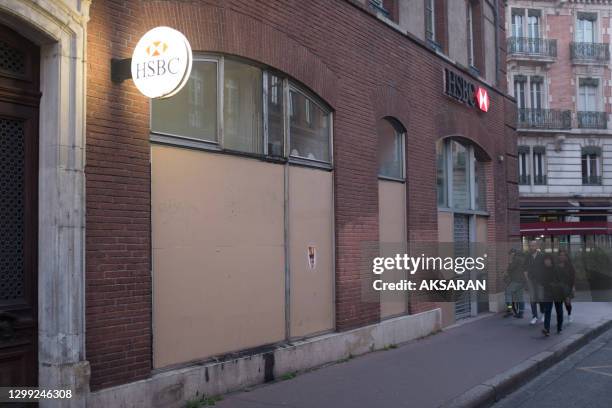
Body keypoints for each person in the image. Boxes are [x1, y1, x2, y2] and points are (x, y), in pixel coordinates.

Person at [538, 254, 566, 336]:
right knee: (547, 311)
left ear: (551, 260)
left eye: (548, 260)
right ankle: (546, 329)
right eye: (545, 260)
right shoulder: (543, 270)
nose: (546, 261)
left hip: (557, 293)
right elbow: (541, 281)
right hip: (548, 292)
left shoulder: (557, 269)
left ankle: (559, 327)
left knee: (559, 311)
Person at [523, 240, 545, 325]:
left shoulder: (541, 255)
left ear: (537, 246)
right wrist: (526, 278)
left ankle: (543, 314)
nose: (532, 247)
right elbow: (524, 267)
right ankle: (534, 317)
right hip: (531, 280)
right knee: (532, 299)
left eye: (533, 246)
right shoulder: (528, 256)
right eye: (530, 246)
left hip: (540, 280)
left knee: (540, 298)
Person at [503, 249, 526, 318]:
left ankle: (509, 309)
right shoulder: (522, 259)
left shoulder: (516, 259)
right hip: (522, 281)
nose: (510, 256)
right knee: (520, 297)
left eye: (510, 254)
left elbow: (510, 268)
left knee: (508, 293)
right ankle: (521, 313)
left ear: (513, 253)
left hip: (516, 280)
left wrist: (509, 264)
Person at [557, 249, 576, 323]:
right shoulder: (556, 264)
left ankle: (569, 314)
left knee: (567, 302)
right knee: (559, 304)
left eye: (563, 255)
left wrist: (573, 286)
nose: (562, 256)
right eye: (560, 255)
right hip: (558, 287)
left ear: (566, 256)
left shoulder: (570, 265)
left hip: (567, 287)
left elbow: (573, 276)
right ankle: (560, 320)